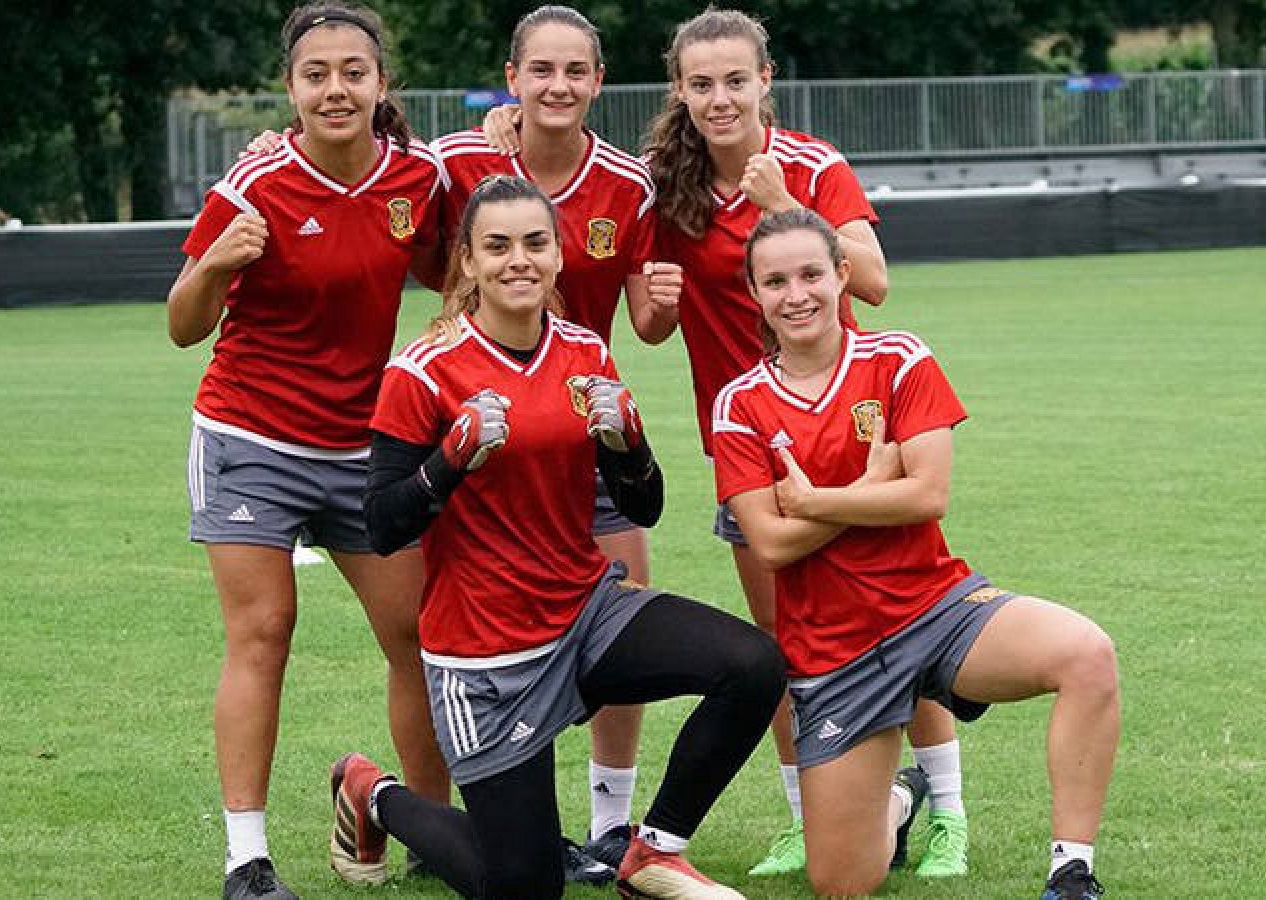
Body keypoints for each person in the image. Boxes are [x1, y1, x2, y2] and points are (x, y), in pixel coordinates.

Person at [245, 6, 683, 880]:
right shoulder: (456, 160)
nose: (558, 86)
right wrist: (276, 150)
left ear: (598, 82)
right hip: (482, 426)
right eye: (540, 70)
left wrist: (662, 308)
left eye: (575, 71)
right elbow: (376, 175)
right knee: (467, 629)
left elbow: (645, 317)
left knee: (620, 614)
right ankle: (440, 809)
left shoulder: (629, 183)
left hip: (585, 420)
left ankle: (610, 825)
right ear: (512, 77)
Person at [327, 174, 785, 900]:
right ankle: (372, 793)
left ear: (559, 255)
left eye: (536, 243)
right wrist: (449, 462)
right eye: (498, 246)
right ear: (468, 264)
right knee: (526, 888)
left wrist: (629, 444)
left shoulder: (584, 354)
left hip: (585, 613)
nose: (519, 260)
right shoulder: (421, 371)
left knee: (753, 665)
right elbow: (381, 526)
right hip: (486, 655)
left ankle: (653, 851)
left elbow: (646, 502)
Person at [639, 7, 968, 878]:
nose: (719, 99)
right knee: (787, 641)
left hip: (853, 440)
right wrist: (661, 304)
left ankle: (948, 813)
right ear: (680, 89)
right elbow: (646, 323)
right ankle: (803, 815)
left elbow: (879, 284)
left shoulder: (813, 165)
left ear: (765, 82)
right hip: (749, 446)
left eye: (735, 81)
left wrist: (783, 203)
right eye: (701, 83)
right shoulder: (665, 184)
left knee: (902, 620)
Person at [712, 208, 1120, 899]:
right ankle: (902, 803)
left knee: (1087, 655)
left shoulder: (898, 359)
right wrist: (868, 489)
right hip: (836, 653)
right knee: (841, 883)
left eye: (811, 273)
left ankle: (1070, 869)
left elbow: (927, 494)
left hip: (935, 607)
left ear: (842, 274)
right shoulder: (740, 404)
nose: (797, 294)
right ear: (754, 293)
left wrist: (815, 501)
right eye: (775, 281)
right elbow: (773, 545)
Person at [165, 5, 442, 897]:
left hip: (364, 448)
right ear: (291, 89)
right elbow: (183, 325)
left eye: (353, 71)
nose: (336, 88)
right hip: (250, 438)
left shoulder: (418, 177)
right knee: (263, 634)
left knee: (419, 637)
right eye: (316, 73)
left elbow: (449, 263)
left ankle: (432, 838)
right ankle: (246, 859)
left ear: (380, 85)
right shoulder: (256, 182)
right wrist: (213, 264)